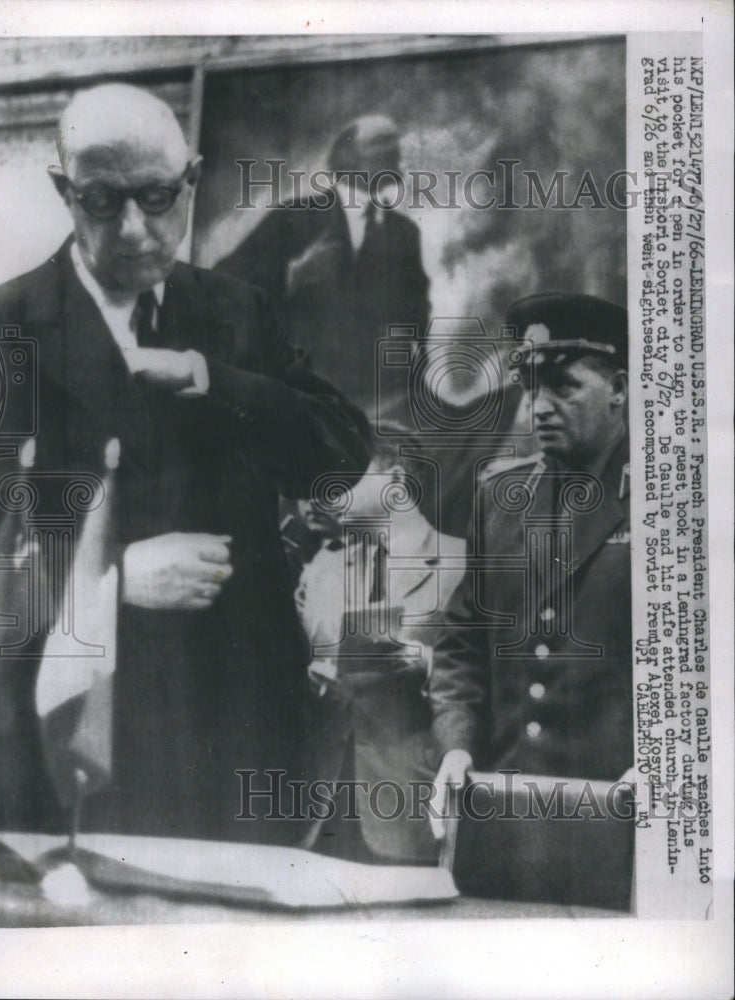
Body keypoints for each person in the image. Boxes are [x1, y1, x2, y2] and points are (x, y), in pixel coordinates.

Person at [0, 83, 370, 844]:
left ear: (190, 182)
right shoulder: (2, 327)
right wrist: (115, 576)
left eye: (158, 197)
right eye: (101, 201)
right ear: (65, 192)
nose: (133, 229)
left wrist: (212, 376)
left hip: (241, 715)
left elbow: (338, 459)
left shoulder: (236, 312)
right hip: (90, 725)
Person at [427, 293, 633, 837]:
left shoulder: (667, 502)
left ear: (620, 389)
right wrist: (457, 749)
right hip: (502, 813)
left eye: (564, 387)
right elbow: (461, 644)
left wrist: (673, 765)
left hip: (620, 816)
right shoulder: (499, 496)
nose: (540, 406)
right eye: (533, 387)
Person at [296, 431, 465, 862]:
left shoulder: (464, 564)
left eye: (348, 471)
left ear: (395, 479)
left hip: (406, 797)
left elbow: (480, 680)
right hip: (317, 800)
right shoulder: (322, 566)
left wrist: (423, 663)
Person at [217, 114, 430, 415]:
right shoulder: (294, 217)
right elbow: (226, 281)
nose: (398, 164)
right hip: (302, 396)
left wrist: (417, 380)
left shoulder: (405, 234)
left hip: (380, 402)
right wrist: (292, 275)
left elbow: (417, 318)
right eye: (387, 153)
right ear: (354, 163)